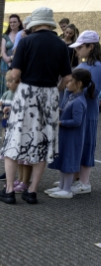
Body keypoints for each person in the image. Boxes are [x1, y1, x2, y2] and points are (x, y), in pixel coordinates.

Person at [0, 7, 72, 205]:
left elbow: (14, 74)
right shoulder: (61, 44)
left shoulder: (27, 41)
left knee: (14, 140)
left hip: (27, 92)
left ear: (34, 24)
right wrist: (55, 89)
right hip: (50, 95)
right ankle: (32, 191)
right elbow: (68, 78)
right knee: (43, 142)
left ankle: (10, 190)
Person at [46, 69, 94, 199]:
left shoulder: (79, 101)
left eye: (71, 80)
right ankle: (62, 186)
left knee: (69, 160)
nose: (67, 83)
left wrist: (60, 122)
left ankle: (67, 189)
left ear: (78, 84)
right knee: (63, 159)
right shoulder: (72, 96)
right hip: (66, 136)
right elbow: (68, 112)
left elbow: (77, 121)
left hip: (73, 138)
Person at [67, 30, 101, 194]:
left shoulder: (97, 67)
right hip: (78, 111)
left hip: (89, 114)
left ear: (91, 46)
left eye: (80, 47)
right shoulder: (82, 65)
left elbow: (94, 92)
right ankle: (75, 178)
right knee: (77, 144)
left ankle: (85, 182)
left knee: (86, 144)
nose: (77, 50)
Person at [0, 15, 22, 101]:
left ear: (19, 23)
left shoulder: (22, 35)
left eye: (14, 22)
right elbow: (3, 51)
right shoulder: (5, 36)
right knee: (6, 84)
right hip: (5, 63)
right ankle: (3, 104)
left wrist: (12, 59)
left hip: (18, 63)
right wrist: (7, 60)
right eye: (11, 22)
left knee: (16, 83)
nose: (12, 24)